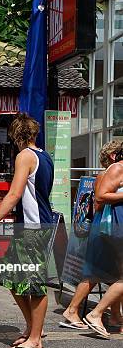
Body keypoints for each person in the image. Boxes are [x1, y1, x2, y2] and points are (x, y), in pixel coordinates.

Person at [0, 114, 54, 348]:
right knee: (11, 278)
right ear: (34, 133)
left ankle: (35, 339)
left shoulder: (25, 156)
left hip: (34, 228)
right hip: (34, 225)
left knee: (35, 285)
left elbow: (14, 194)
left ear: (15, 137)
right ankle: (33, 327)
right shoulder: (45, 156)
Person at [60, 141, 123, 331]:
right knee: (96, 272)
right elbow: (98, 201)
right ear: (113, 156)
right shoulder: (109, 172)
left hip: (110, 228)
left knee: (105, 273)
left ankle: (113, 316)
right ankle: (82, 311)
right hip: (107, 227)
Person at [83, 146, 123, 339]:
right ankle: (95, 313)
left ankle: (112, 316)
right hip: (118, 228)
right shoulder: (117, 168)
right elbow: (100, 196)